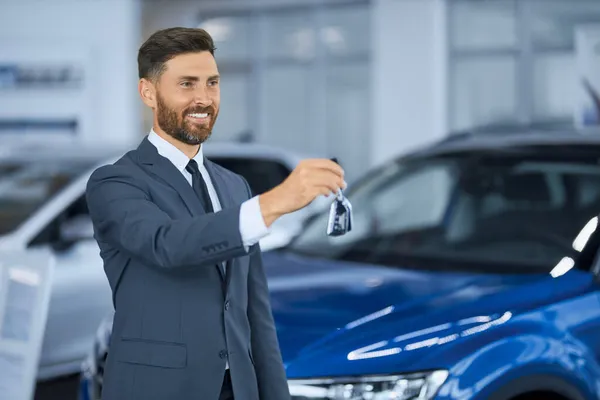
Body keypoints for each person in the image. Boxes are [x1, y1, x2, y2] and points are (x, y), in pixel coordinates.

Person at [85, 27, 345, 400]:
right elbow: (167, 244)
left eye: (212, 83)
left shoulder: (234, 186)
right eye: (187, 84)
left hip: (236, 389)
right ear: (148, 92)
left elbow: (256, 314)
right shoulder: (115, 182)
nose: (203, 98)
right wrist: (275, 202)